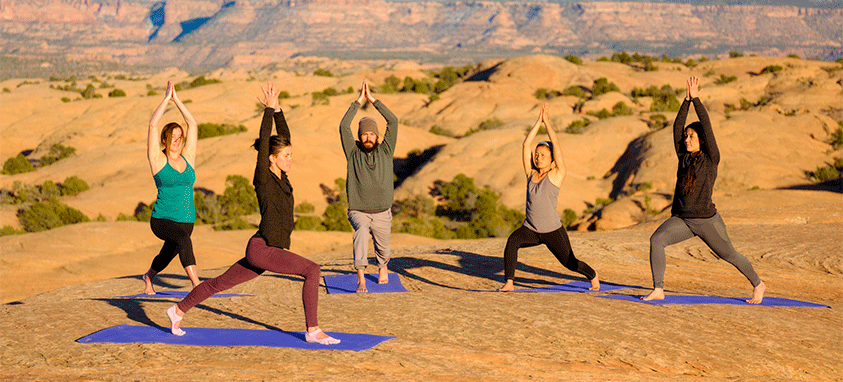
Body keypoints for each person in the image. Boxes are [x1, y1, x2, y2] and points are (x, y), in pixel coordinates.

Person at [165, 82, 340, 345]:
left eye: (291, 155)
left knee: (219, 283)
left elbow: (284, 138)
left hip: (261, 247)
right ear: (271, 158)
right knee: (312, 270)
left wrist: (279, 111)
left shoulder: (283, 178)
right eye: (286, 155)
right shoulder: (263, 178)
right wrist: (268, 112)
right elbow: (266, 142)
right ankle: (313, 330)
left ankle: (177, 310)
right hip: (264, 249)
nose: (291, 158)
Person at [642, 76, 766, 304]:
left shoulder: (711, 158)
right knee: (656, 240)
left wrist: (697, 101)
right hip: (683, 220)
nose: (687, 140)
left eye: (691, 137)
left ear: (701, 140)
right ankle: (658, 289)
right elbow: (677, 127)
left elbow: (707, 127)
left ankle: (758, 284)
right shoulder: (684, 158)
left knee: (728, 255)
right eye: (687, 137)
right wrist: (686, 101)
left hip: (707, 221)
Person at [498, 104, 600, 292]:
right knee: (512, 242)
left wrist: (548, 123)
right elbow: (525, 145)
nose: (538, 157)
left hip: (552, 230)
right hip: (530, 229)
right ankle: (509, 283)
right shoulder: (530, 174)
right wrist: (538, 121)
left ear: (552, 159)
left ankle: (593, 275)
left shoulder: (557, 175)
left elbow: (557, 145)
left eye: (543, 155)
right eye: (537, 155)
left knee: (570, 263)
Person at [339, 79, 399, 293]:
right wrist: (357, 102)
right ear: (359, 136)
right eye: (364, 133)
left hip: (383, 210)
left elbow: (393, 121)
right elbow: (343, 126)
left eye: (371, 134)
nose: (368, 137)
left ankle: (383, 267)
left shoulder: (386, 150)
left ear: (377, 136)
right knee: (362, 233)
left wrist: (373, 101)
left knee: (383, 246)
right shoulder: (353, 152)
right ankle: (361, 277)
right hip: (359, 210)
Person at [142, 80, 201, 294]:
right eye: (171, 137)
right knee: (183, 241)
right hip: (162, 219)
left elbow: (192, 124)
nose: (176, 140)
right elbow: (152, 126)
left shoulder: (188, 158)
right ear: (164, 141)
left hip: (187, 220)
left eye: (179, 136)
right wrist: (166, 99)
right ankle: (197, 284)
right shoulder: (158, 161)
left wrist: (178, 101)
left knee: (168, 254)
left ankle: (149, 276)